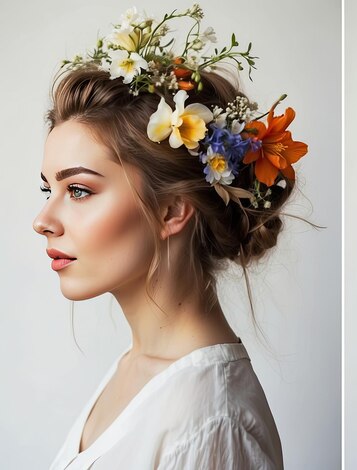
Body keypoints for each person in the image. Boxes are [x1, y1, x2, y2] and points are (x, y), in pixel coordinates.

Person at [33, 6, 307, 469]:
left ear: (172, 210)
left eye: (78, 190)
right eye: (49, 188)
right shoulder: (136, 367)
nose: (43, 219)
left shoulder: (212, 417)